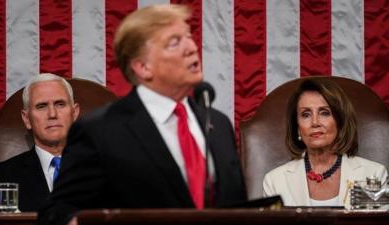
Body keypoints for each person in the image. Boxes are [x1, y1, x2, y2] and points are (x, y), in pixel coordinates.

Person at [38, 4, 246, 225]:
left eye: (188, 36)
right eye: (175, 42)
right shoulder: (100, 131)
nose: (192, 47)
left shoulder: (218, 124)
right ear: (143, 67)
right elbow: (57, 214)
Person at [263, 77, 388, 207]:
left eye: (324, 113)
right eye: (306, 114)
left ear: (340, 121)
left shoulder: (373, 175)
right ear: (297, 127)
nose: (315, 122)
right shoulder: (275, 181)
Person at [0, 73, 80, 211]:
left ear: (74, 113)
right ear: (26, 119)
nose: (52, 114)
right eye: (41, 106)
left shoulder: (107, 171)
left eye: (60, 104)